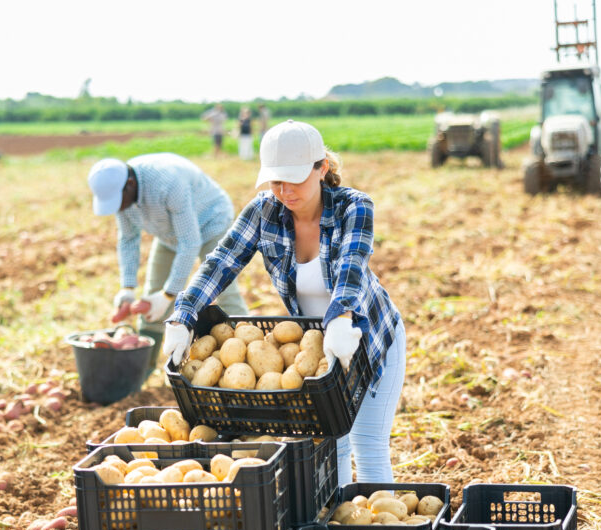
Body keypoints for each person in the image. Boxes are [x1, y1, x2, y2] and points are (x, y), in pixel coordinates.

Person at [161, 120, 406, 485]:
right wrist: (183, 315)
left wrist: (340, 317)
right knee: (329, 448)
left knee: (367, 445)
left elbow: (350, 270)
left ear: (321, 168)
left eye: (294, 179)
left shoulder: (353, 207)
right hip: (316, 349)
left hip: (368, 336)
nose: (284, 190)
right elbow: (221, 262)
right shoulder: (264, 212)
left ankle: (381, 529)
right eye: (276, 181)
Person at [87, 153, 250, 377]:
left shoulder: (167, 183)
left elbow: (190, 242)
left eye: (118, 201)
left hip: (211, 222)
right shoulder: (123, 198)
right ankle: (142, 370)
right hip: (169, 234)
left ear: (130, 184)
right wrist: (127, 289)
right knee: (151, 296)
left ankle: (245, 358)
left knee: (224, 293)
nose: (119, 208)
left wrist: (168, 295)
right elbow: (128, 240)